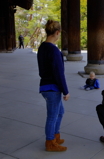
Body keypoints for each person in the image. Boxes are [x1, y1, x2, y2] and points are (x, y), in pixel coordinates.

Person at [37, 19, 70, 152]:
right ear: (57, 32)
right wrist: (65, 91)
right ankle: (50, 141)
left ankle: (55, 136)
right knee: (52, 116)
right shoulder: (54, 51)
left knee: (60, 112)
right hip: (52, 88)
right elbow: (59, 74)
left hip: (46, 85)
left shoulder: (42, 47)